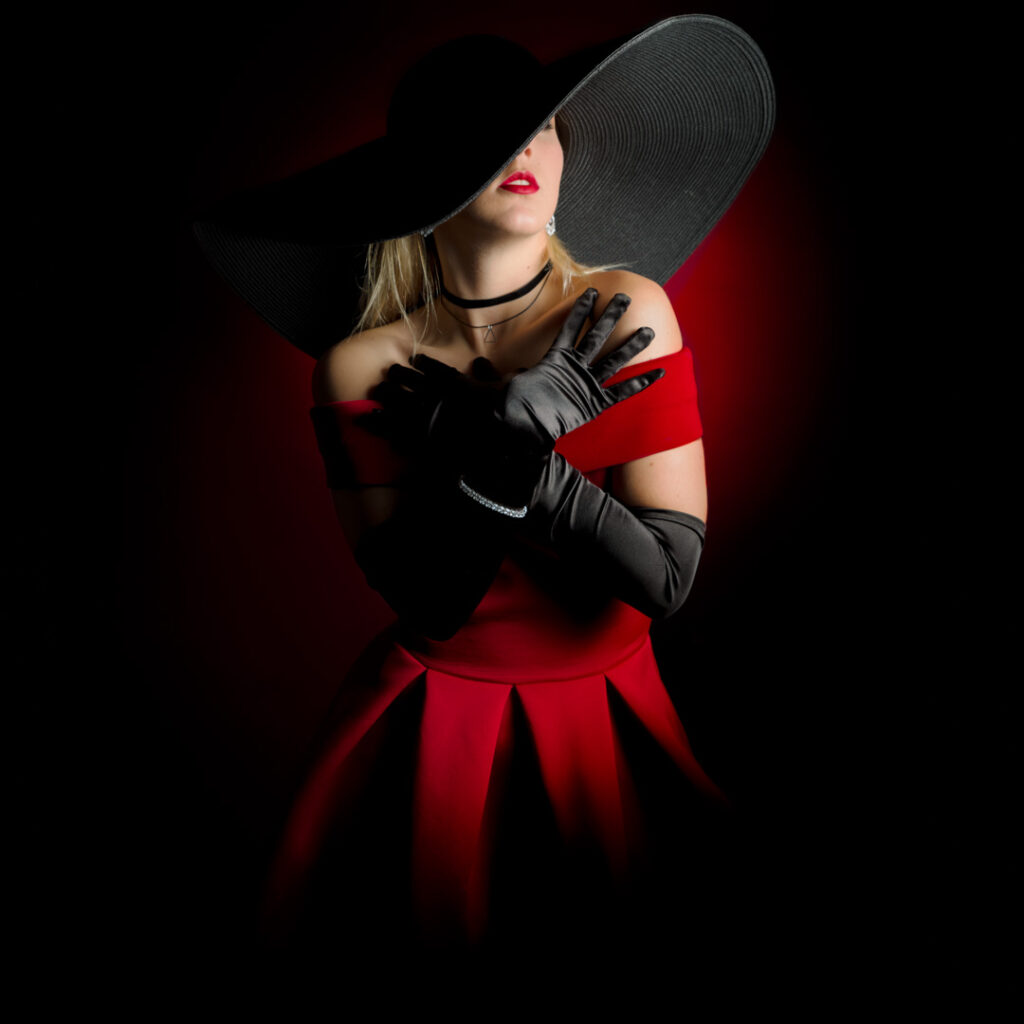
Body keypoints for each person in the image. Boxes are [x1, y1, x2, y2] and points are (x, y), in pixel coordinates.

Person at [194, 15, 774, 959]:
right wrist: (501, 449)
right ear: (420, 179)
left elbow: (665, 582)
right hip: (435, 729)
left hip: (606, 719)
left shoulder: (629, 313)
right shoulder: (357, 369)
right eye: (491, 133)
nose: (526, 148)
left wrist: (520, 459)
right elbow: (430, 602)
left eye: (542, 126)